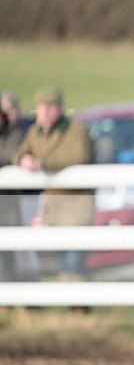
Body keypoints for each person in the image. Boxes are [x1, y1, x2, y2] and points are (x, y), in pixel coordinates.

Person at [13, 85, 93, 280]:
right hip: (53, 205)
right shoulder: (35, 132)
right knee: (60, 259)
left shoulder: (76, 130)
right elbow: (19, 152)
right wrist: (24, 159)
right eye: (42, 107)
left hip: (76, 205)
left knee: (74, 260)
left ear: (60, 108)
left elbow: (79, 156)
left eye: (50, 107)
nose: (45, 112)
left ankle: (79, 304)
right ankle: (72, 301)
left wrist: (43, 163)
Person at [0, 91, 37, 280]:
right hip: (8, 201)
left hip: (25, 196)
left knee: (26, 247)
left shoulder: (25, 129)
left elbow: (12, 155)